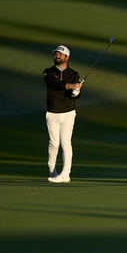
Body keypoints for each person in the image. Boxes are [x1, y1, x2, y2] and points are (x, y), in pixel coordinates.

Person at [43, 45, 82, 183]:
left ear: (67, 57)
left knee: (66, 143)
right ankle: (52, 171)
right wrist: (71, 86)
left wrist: (76, 92)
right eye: (56, 54)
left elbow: (76, 95)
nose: (57, 56)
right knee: (54, 144)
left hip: (68, 112)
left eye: (60, 54)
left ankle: (66, 173)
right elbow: (55, 84)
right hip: (52, 112)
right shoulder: (48, 72)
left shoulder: (74, 74)